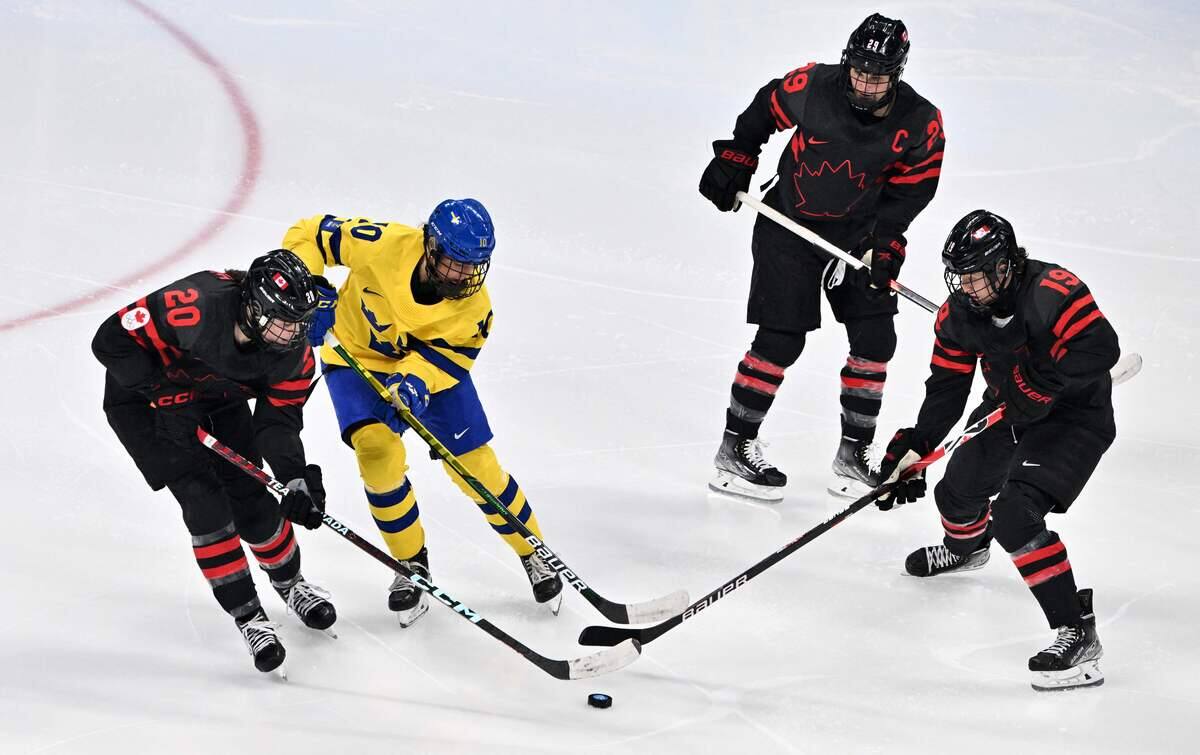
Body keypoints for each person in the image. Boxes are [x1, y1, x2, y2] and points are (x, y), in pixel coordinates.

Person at [281, 199, 563, 626]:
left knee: (475, 466)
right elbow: (310, 232)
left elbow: (450, 359)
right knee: (377, 457)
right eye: (454, 263)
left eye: (474, 267)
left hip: (428, 373)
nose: (464, 277)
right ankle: (411, 564)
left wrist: (415, 378)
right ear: (430, 246)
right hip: (357, 357)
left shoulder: (476, 310)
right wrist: (312, 290)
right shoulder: (383, 244)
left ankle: (533, 550)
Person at [699, 13, 945, 502]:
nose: (866, 84)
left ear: (897, 74)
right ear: (848, 61)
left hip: (856, 237)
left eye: (879, 77)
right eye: (859, 72)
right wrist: (736, 159)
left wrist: (886, 243)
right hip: (786, 227)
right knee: (781, 339)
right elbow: (763, 110)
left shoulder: (921, 121)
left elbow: (911, 192)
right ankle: (734, 448)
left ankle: (853, 455)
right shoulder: (813, 84)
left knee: (876, 338)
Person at [876, 209, 1118, 691]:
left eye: (976, 276)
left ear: (1004, 265)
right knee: (956, 495)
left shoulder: (1054, 291)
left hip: (1073, 418)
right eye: (959, 276)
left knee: (1014, 514)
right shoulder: (957, 315)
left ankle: (1077, 631)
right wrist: (917, 446)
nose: (966, 287)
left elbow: (1102, 348)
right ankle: (966, 550)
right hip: (1008, 409)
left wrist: (1042, 380)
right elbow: (946, 386)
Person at [91, 249, 336, 674]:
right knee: (205, 505)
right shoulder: (196, 303)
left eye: (299, 322)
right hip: (143, 402)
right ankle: (249, 616)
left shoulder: (294, 355)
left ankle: (291, 584)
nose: (293, 332)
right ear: (254, 308)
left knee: (253, 499)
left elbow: (278, 422)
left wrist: (295, 477)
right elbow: (109, 339)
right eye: (283, 320)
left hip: (216, 396)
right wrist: (161, 393)